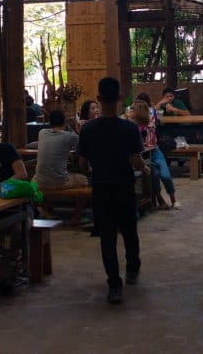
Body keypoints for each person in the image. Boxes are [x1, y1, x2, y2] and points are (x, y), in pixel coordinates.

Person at [78, 77, 149, 305]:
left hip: (101, 188)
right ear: (119, 98)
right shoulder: (130, 128)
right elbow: (136, 161)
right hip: (124, 186)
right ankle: (132, 268)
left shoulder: (88, 129)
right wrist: (144, 168)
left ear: (99, 98)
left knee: (107, 237)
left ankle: (114, 285)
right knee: (129, 230)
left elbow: (82, 164)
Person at [131, 96, 177, 210]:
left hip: (155, 151)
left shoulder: (151, 114)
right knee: (154, 175)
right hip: (144, 155)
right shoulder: (132, 126)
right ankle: (159, 198)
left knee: (165, 175)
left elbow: (154, 112)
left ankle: (172, 197)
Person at [33, 109, 88, 190]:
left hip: (39, 182)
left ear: (50, 122)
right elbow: (85, 145)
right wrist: (75, 128)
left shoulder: (42, 132)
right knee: (84, 179)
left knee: (36, 176)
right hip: (60, 182)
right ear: (64, 122)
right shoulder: (70, 136)